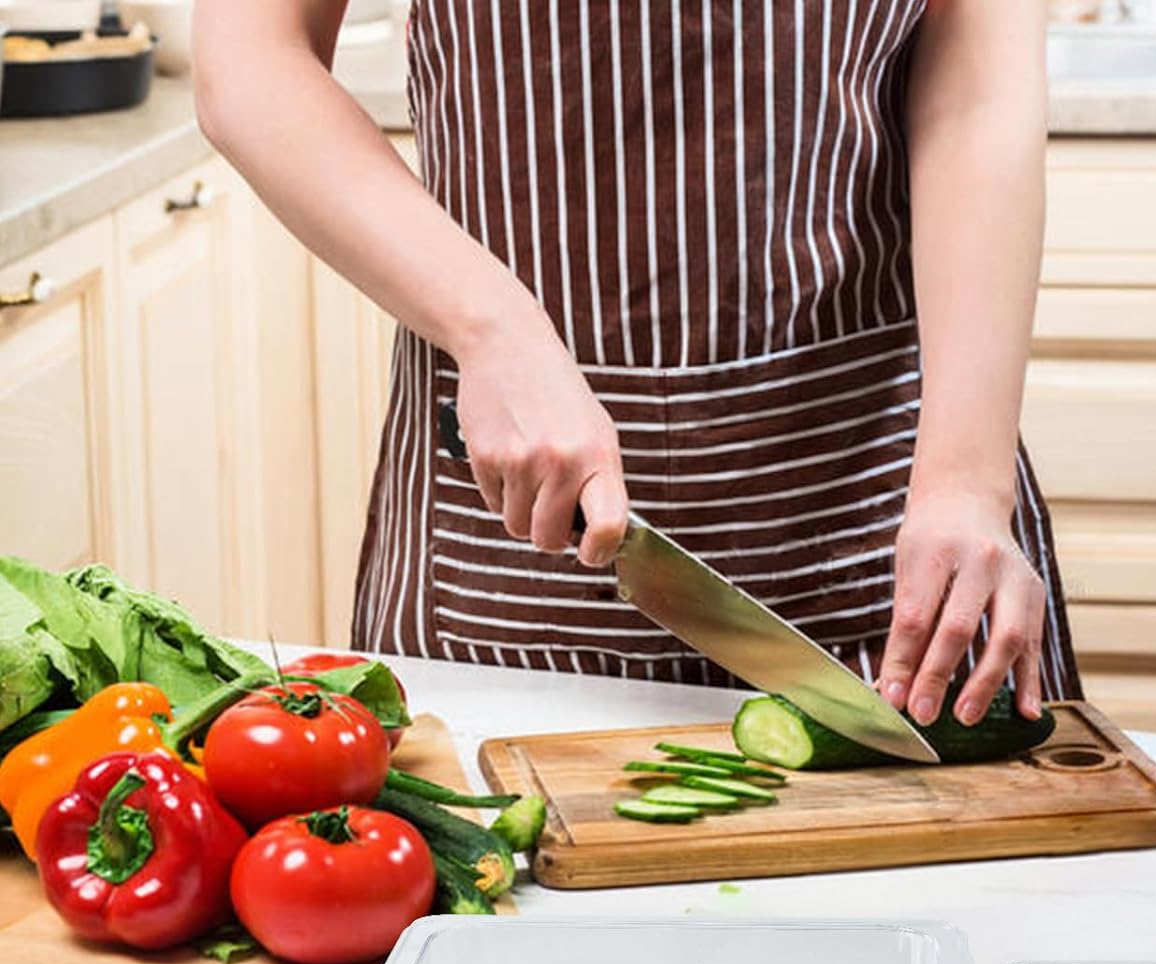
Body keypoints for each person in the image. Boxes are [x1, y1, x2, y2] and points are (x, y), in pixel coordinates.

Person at [195, 0, 1080, 728]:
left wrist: (964, 481)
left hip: (884, 516)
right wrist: (495, 330)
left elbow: (978, 88)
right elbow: (252, 56)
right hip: (502, 544)